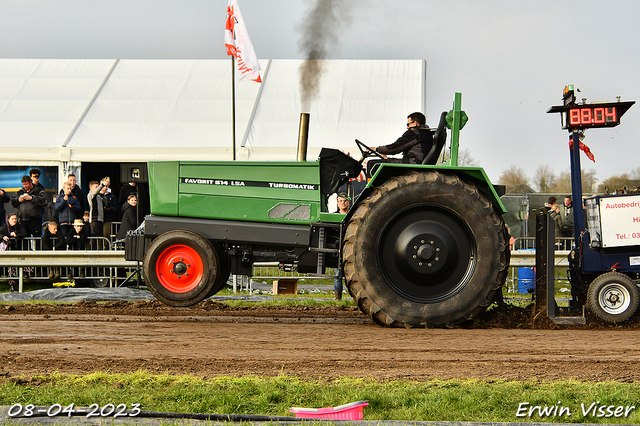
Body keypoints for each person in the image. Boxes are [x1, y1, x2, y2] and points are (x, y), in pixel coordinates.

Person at [368, 112, 434, 176]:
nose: (407, 127)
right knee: (386, 162)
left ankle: (371, 187)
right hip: (416, 162)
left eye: (408, 124)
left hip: (411, 164)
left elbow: (394, 148)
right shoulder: (428, 134)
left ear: (415, 123)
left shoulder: (414, 133)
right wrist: (387, 159)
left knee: (373, 164)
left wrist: (376, 149)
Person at [0, 213, 28, 291]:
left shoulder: (19, 226)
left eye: (15, 219)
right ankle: (12, 284)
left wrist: (16, 235)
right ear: (8, 220)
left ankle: (24, 275)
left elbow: (24, 233)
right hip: (8, 251)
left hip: (18, 250)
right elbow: (0, 234)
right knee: (11, 269)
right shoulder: (4, 227)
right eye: (13, 219)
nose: (14, 220)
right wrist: (3, 237)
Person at [333, 193, 350, 300]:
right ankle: (338, 298)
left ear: (348, 202)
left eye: (345, 201)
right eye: (341, 201)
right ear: (337, 203)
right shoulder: (334, 216)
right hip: (338, 248)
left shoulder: (353, 215)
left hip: (350, 248)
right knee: (337, 274)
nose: (343, 203)